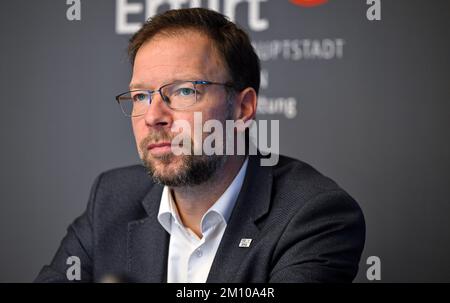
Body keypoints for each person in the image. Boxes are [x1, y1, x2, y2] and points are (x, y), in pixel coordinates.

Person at [35, 8, 365, 283]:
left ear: (243, 107)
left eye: (183, 91)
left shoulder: (313, 214)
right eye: (140, 96)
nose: (153, 117)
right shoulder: (111, 198)